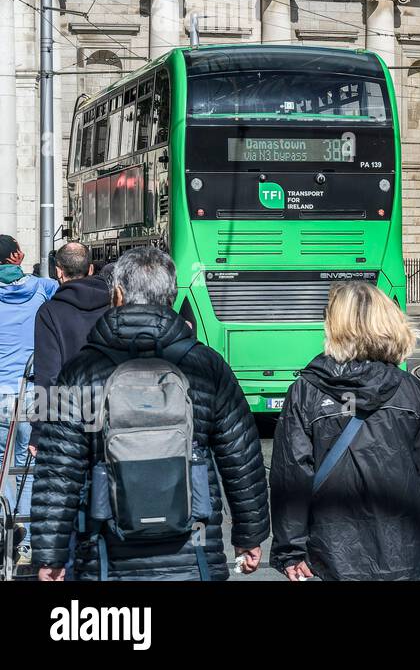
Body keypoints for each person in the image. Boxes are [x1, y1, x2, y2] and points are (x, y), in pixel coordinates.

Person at [32, 246, 269, 581]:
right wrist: (249, 534)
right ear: (171, 296)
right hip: (193, 550)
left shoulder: (82, 370)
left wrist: (50, 553)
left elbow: (59, 469)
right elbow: (241, 456)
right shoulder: (205, 365)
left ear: (117, 294)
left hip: (108, 555)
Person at [271, 280, 420, 581]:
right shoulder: (409, 389)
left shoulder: (306, 390)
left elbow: (292, 474)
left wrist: (290, 550)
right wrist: (418, 520)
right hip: (400, 549)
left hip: (329, 553)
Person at [0, 234, 57, 565]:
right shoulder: (44, 289)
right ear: (17, 256)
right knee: (28, 467)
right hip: (33, 393)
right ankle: (28, 541)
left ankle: (6, 532)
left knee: (2, 468)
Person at [32, 244, 112, 448]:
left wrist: (40, 429)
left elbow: (48, 375)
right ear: (91, 269)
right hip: (112, 412)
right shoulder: (114, 304)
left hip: (70, 418)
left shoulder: (49, 312)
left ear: (58, 272)